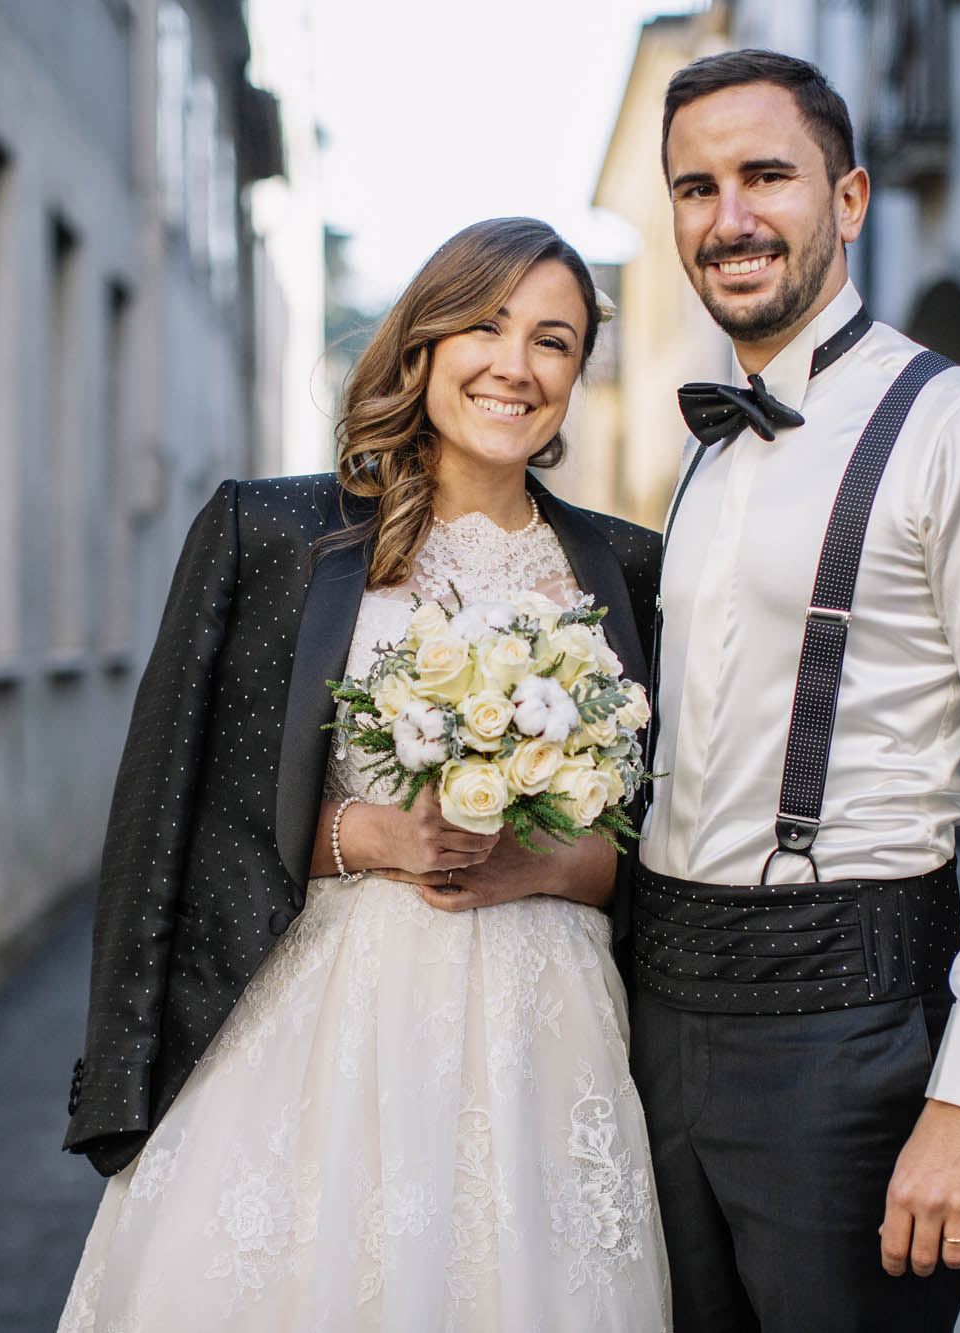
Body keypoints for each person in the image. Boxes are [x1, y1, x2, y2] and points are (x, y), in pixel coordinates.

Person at [58, 217, 672, 1330]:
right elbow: (169, 812)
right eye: (485, 324)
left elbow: (650, 842)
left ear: (577, 375)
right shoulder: (270, 531)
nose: (514, 365)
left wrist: (542, 863)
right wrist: (371, 836)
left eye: (553, 341)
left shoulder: (626, 568)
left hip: (547, 1038)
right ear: (423, 341)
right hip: (323, 1017)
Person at [629, 50, 960, 1332]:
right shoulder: (707, 451)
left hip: (847, 1027)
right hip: (654, 1014)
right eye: (694, 186)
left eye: (763, 176)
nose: (726, 218)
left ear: (846, 198)